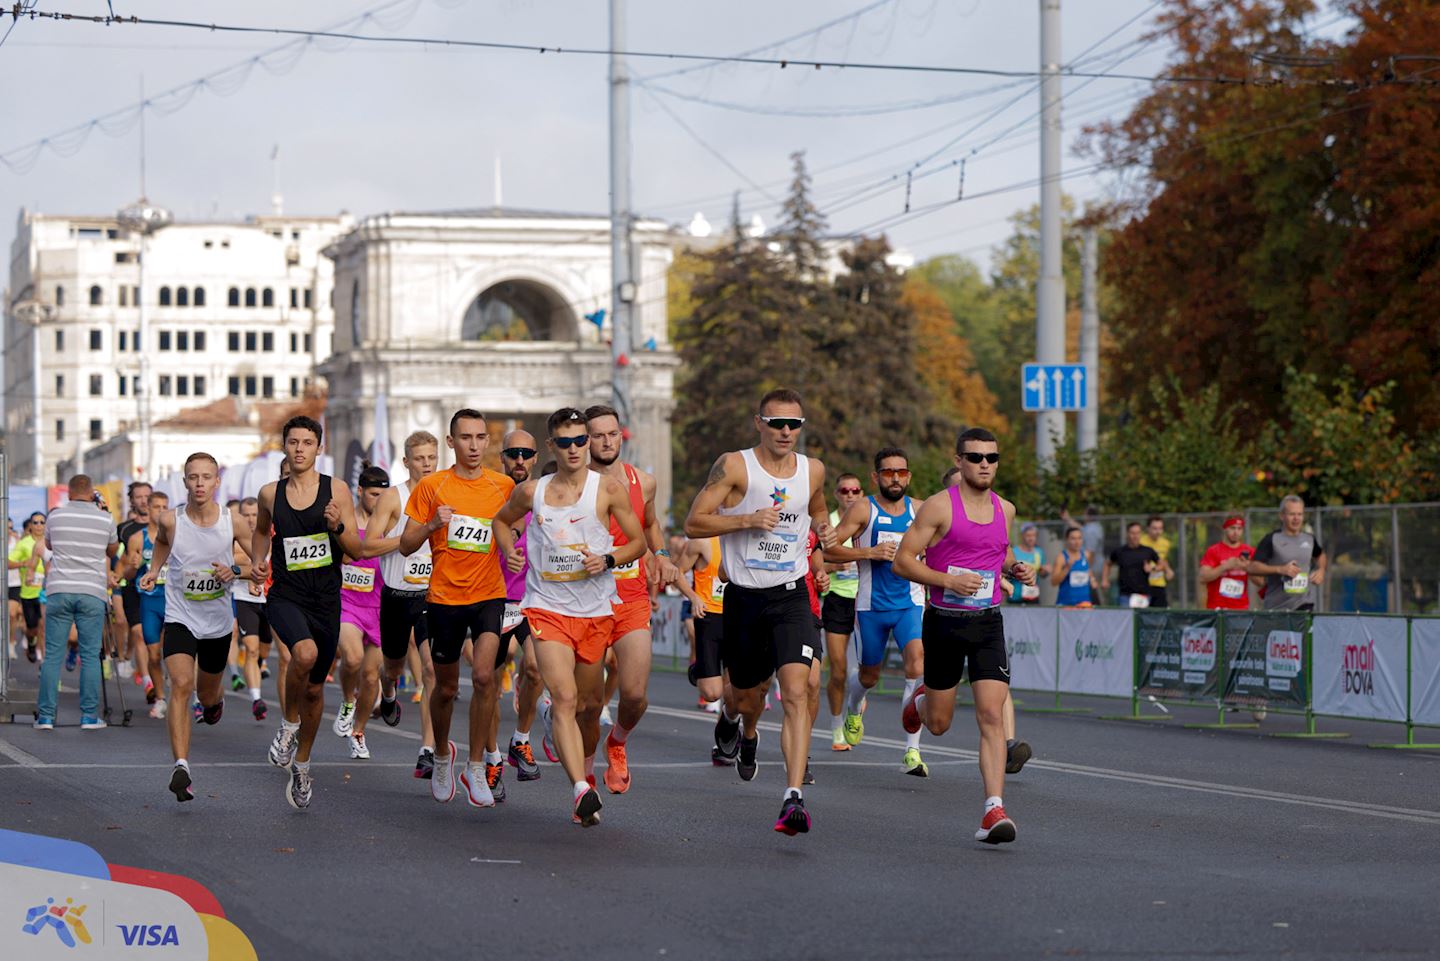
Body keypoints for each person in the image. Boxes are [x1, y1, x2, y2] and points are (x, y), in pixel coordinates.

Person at [683, 387, 833, 836]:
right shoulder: (735, 466)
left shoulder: (813, 470)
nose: (786, 432)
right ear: (759, 424)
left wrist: (824, 532)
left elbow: (817, 511)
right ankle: (739, 726)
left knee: (797, 691)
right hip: (745, 598)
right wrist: (746, 520)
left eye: (794, 425)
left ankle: (793, 799)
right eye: (777, 423)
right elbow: (694, 522)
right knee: (747, 696)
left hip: (791, 597)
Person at [493, 407, 647, 826]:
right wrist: (509, 548)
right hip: (547, 608)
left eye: (581, 440)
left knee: (590, 705)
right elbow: (500, 520)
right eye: (566, 442)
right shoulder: (533, 493)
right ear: (552, 447)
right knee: (562, 697)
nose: (576, 448)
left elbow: (638, 542)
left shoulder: (609, 489)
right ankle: (580, 788)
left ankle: (585, 761)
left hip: (595, 610)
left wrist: (610, 558)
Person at [892, 428, 1036, 845]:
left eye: (991, 457)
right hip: (944, 622)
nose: (984, 464)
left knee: (992, 715)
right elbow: (903, 561)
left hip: (988, 623)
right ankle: (921, 700)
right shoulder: (939, 508)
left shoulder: (1005, 509)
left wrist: (1015, 568)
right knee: (938, 724)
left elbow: (1000, 550)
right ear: (959, 461)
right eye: (975, 457)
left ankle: (993, 809)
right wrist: (946, 581)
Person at [252, 415, 373, 810]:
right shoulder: (270, 493)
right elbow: (260, 531)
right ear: (284, 447)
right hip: (286, 595)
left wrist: (338, 527)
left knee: (317, 688)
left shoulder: (335, 489)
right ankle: (288, 725)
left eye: (307, 442)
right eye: (293, 442)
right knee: (301, 654)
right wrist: (258, 561)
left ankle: (302, 763)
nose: (300, 448)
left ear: (319, 448)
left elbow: (355, 549)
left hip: (326, 599)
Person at [396, 409, 514, 810]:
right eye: (466, 438)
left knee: (484, 677)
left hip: (488, 594)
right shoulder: (433, 486)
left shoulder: (502, 486)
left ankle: (476, 764)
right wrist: (431, 525)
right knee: (445, 688)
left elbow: (519, 527)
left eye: (481, 437)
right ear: (451, 443)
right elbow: (406, 544)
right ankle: (443, 756)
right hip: (444, 599)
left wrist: (511, 544)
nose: (475, 445)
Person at [139, 454, 251, 801]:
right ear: (184, 482)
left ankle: (214, 704)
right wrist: (155, 571)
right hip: (180, 617)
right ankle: (181, 765)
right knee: (181, 685)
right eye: (193, 477)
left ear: (217, 482)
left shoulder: (233, 522)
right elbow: (160, 543)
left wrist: (235, 570)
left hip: (217, 623)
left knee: (206, 694)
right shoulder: (170, 521)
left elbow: (260, 563)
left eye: (206, 477)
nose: (200, 483)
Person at [583, 405, 679, 796]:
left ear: (620, 436)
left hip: (632, 596)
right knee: (588, 703)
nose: (606, 442)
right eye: (597, 435)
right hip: (585, 597)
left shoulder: (645, 482)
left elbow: (650, 523)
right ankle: (584, 777)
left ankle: (618, 741)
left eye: (612, 434)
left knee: (635, 694)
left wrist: (663, 555)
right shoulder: (573, 485)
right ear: (585, 441)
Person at [826, 447, 930, 777]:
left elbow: (943, 549)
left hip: (909, 604)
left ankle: (912, 750)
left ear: (909, 476)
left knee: (917, 664)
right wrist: (869, 551)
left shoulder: (922, 510)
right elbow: (829, 550)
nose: (895, 478)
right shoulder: (862, 509)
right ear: (876, 477)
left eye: (901, 472)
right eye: (888, 472)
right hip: (871, 606)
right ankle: (854, 710)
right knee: (869, 675)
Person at [369, 430, 440, 779]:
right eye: (420, 459)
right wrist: (411, 538)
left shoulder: (447, 494)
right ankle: (389, 690)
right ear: (407, 462)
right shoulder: (393, 498)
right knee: (393, 666)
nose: (426, 465)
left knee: (430, 669)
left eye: (432, 458)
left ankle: (427, 749)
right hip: (396, 595)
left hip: (432, 595)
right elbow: (367, 546)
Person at [34, 477, 120, 731]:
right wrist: (103, 512)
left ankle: (46, 717)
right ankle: (88, 716)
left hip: (59, 588)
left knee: (52, 655)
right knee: (91, 655)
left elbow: (49, 545)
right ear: (93, 493)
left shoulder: (56, 516)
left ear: (70, 492)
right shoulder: (105, 518)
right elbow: (112, 551)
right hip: (91, 590)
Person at [487, 432, 547, 789]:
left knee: (537, 669)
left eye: (526, 453)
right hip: (494, 599)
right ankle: (491, 756)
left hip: (532, 599)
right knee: (490, 684)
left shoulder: (545, 497)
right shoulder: (491, 495)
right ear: (503, 458)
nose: (519, 460)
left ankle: (520, 739)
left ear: (535, 457)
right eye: (513, 454)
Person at [335, 464, 400, 760]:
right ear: (360, 491)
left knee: (372, 676)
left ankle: (358, 732)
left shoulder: (391, 524)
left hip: (380, 606)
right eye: (374, 494)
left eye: (383, 495)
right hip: (347, 604)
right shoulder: (347, 523)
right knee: (352, 658)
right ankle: (348, 700)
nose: (379, 501)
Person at [821, 472, 864, 753]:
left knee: (864, 672)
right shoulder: (828, 525)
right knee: (837, 670)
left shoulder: (867, 519)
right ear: (836, 494)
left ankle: (854, 713)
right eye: (844, 490)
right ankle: (837, 727)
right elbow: (813, 564)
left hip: (865, 600)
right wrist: (833, 567)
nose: (849, 495)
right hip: (837, 599)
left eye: (855, 491)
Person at [122, 492, 172, 717]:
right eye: (157, 507)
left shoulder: (176, 536)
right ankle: (160, 698)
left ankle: (189, 693)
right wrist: (133, 566)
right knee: (153, 654)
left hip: (174, 601)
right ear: (148, 509)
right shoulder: (137, 538)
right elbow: (127, 571)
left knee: (177, 653)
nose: (161, 511)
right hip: (150, 601)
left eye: (165, 507)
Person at [1251, 496, 1326, 612]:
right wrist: (1280, 569)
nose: (1296, 518)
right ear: (1282, 516)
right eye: (1292, 514)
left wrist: (1321, 570)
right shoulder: (1272, 539)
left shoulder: (1309, 539)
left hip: (1304, 605)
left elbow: (1320, 555)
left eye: (1299, 514)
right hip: (1276, 608)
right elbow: (1253, 567)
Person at [233, 497, 270, 720]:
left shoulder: (270, 536)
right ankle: (257, 699)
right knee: (251, 648)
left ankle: (254, 668)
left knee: (262, 652)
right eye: (245, 514)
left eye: (254, 514)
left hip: (270, 600)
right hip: (244, 599)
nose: (250, 519)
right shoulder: (236, 539)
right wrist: (248, 569)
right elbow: (231, 558)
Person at [9, 513, 47, 663]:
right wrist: (23, 563)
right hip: (28, 593)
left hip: (46, 593)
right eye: (35, 522)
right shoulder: (23, 544)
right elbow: (8, 562)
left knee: (43, 628)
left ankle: (44, 664)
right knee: (32, 629)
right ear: (30, 525)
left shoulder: (51, 542)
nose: (38, 525)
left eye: (41, 522)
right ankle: (31, 643)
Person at [1200, 515, 1253, 611]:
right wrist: (1225, 566)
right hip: (1217, 608)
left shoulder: (1249, 551)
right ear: (1225, 529)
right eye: (1232, 528)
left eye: (1239, 529)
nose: (1236, 532)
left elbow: (1260, 582)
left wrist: (1248, 568)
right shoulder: (1213, 550)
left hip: (1241, 608)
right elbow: (1203, 578)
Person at [1102, 522, 1160, 609]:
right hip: (1125, 594)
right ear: (1127, 534)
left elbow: (1162, 564)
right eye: (1132, 533)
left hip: (1143, 594)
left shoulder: (1147, 551)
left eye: (1137, 533)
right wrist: (1104, 579)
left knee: (1140, 620)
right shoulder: (1120, 552)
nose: (1135, 536)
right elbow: (1107, 564)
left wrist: (1153, 568)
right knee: (1127, 619)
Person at [1050, 527, 1094, 608]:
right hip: (1067, 604)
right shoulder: (1061, 558)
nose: (1077, 542)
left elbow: (1088, 571)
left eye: (1079, 538)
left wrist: (1092, 580)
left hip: (1085, 603)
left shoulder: (1086, 555)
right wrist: (1066, 569)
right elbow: (1053, 582)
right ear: (1067, 540)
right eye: (1073, 539)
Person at [1138, 516, 1175, 608]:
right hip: (1143, 585)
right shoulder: (1141, 541)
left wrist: (1168, 570)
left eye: (1160, 528)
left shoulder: (1165, 543)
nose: (1158, 531)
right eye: (1154, 528)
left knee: (1161, 614)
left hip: (1159, 583)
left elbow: (1163, 560)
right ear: (1148, 528)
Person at [1008, 523, 1048, 605]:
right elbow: (1006, 572)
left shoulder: (1039, 552)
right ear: (1022, 536)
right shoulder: (1013, 551)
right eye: (1028, 535)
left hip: (1033, 596)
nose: (1031, 538)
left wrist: (1045, 571)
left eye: (1033, 535)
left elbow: (1042, 574)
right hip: (1016, 597)